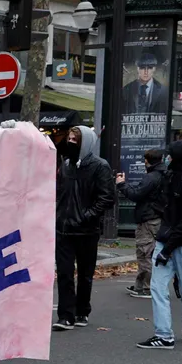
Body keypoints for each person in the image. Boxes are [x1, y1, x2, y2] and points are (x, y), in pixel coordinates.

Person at [138, 140, 182, 348]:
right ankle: (164, 334)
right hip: (167, 241)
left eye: (170, 155)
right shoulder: (169, 178)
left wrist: (166, 249)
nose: (166, 158)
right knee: (158, 288)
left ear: (177, 158)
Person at [53, 125, 114, 330]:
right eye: (68, 138)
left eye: (74, 140)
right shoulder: (67, 164)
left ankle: (82, 310)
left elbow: (106, 197)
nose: (69, 142)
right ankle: (66, 316)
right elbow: (59, 192)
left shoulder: (100, 166)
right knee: (64, 273)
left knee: (85, 274)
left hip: (86, 230)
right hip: (63, 228)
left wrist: (86, 217)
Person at [116, 148, 166, 299]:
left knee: (145, 252)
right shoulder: (164, 174)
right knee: (149, 252)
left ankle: (146, 287)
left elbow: (137, 194)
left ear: (147, 160)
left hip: (148, 218)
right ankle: (141, 285)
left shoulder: (151, 177)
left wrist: (121, 184)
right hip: (157, 217)